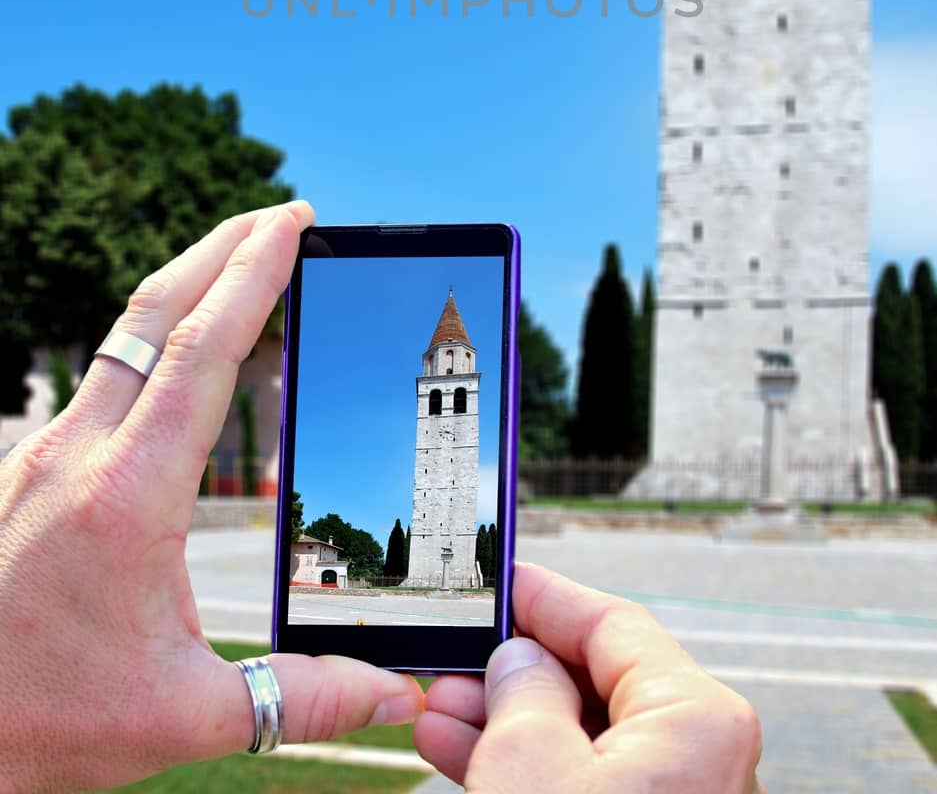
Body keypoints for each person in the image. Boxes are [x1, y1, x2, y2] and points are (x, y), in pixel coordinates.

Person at [0, 202, 765, 793]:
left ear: (462, 380)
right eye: (445, 373)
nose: (449, 382)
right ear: (434, 382)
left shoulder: (454, 404)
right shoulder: (432, 409)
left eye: (456, 372)